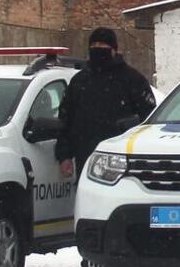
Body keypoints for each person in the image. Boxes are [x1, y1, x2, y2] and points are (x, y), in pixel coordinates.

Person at [56, 27, 157, 180]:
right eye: (94, 46)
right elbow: (65, 120)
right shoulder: (79, 81)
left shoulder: (132, 79)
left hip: (123, 160)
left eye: (103, 46)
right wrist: (64, 155)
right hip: (86, 157)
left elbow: (148, 118)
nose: (98, 49)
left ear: (114, 50)